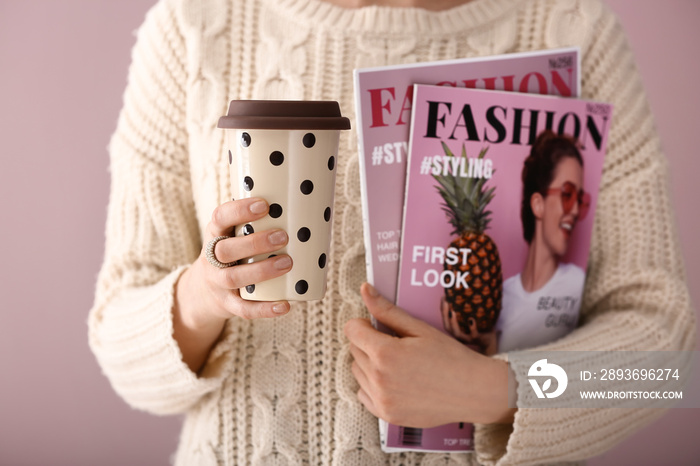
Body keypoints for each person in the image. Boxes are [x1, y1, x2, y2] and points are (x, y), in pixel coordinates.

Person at [87, 0, 695, 464]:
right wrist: (201, 294)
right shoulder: (199, 24)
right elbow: (118, 336)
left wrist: (499, 389)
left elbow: (665, 358)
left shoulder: (569, 26)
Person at [497, 130, 588, 353]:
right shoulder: (501, 297)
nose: (575, 210)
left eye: (580, 199)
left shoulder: (581, 287)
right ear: (538, 204)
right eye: (567, 195)